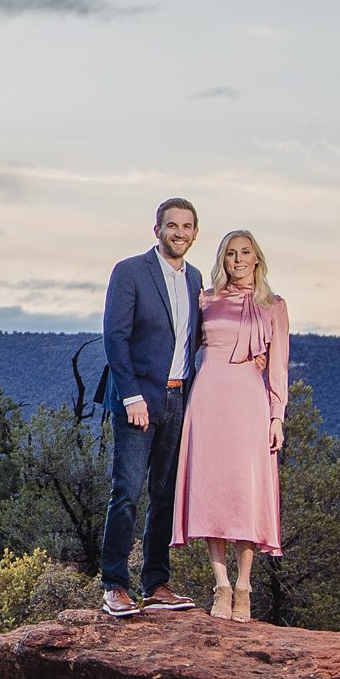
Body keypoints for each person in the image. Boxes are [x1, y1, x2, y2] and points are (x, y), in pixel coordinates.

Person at [98, 197, 206, 617]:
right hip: (138, 399)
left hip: (180, 397)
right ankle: (114, 586)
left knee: (165, 494)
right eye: (172, 225)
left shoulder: (196, 279)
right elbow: (114, 337)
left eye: (187, 226)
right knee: (126, 491)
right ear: (157, 229)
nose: (179, 233)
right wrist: (131, 396)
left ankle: (157, 585)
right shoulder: (130, 272)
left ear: (196, 233)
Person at [174, 229, 289, 620]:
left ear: (257, 258)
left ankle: (244, 587)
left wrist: (277, 416)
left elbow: (279, 368)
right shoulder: (205, 300)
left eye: (245, 252)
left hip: (249, 402)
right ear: (222, 260)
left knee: (245, 491)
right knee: (213, 490)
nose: (238, 259)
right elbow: (185, 347)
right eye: (230, 254)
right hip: (208, 398)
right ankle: (221, 586)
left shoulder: (274, 305)